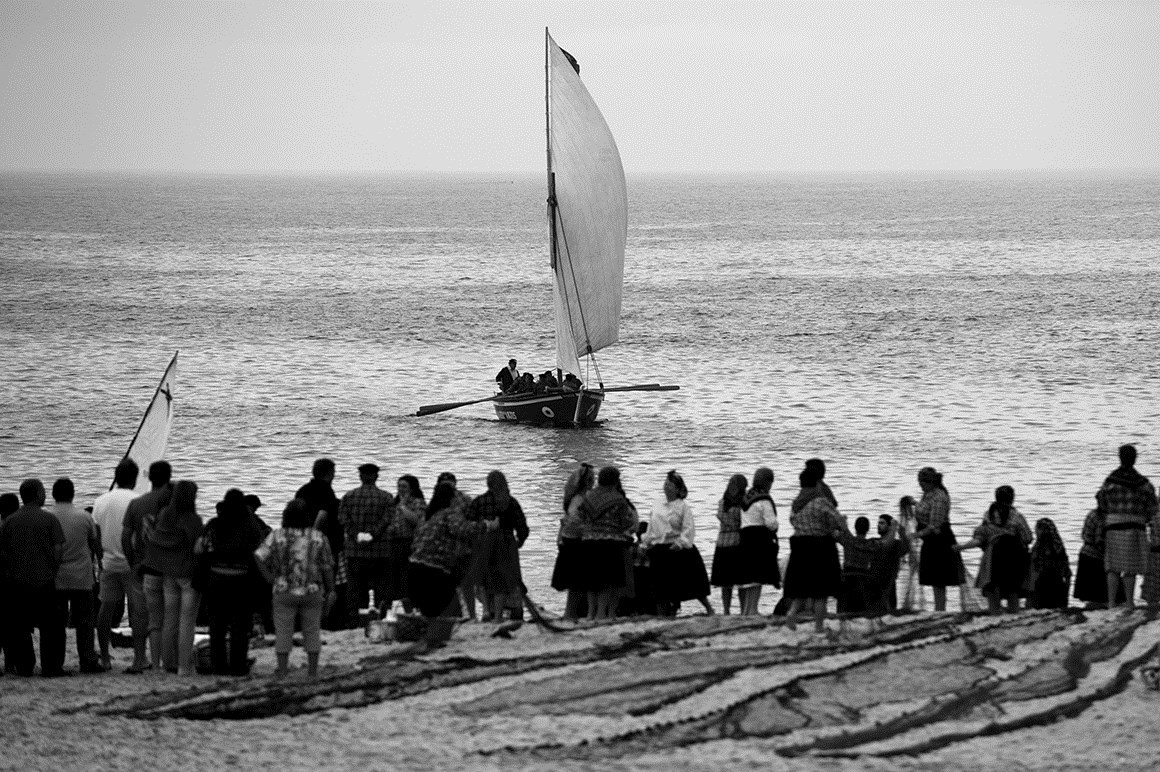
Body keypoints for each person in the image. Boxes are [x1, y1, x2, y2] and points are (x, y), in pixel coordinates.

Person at [254, 499, 335, 678]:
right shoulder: (318, 537)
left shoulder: (277, 535)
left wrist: (268, 576)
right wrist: (331, 589)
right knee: (312, 630)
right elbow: (327, 566)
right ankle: (312, 672)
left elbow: (259, 556)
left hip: (283, 590)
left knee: (283, 631)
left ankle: (282, 670)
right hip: (312, 590)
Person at [195, 488, 265, 676]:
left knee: (216, 625)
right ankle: (238, 666)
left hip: (216, 579)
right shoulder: (250, 526)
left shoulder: (214, 524)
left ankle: (219, 666)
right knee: (240, 627)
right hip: (241, 581)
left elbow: (200, 549)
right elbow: (259, 552)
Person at [0, 479, 66, 676]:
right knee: (50, 628)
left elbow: (3, 552)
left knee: (20, 627)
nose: (45, 495)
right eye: (43, 491)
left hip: (18, 582)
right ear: (38, 495)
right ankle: (50, 667)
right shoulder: (49, 519)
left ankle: (24, 667)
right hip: (45, 580)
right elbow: (58, 549)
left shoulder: (10, 521)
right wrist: (53, 570)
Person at [408, 482, 498, 622]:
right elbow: (463, 529)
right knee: (452, 613)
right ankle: (437, 639)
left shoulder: (428, 515)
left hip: (415, 568)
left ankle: (430, 639)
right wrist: (488, 525)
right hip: (435, 570)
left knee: (430, 612)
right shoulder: (448, 514)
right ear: (451, 498)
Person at [140, 480, 203, 675]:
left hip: (168, 574)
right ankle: (184, 666)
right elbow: (196, 548)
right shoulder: (192, 519)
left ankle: (168, 664)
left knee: (169, 621)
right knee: (187, 622)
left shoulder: (165, 515)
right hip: (187, 576)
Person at [93, 459, 150, 673]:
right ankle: (139, 658)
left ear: (116, 477)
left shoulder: (100, 501)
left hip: (108, 562)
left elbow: (96, 536)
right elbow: (143, 533)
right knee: (138, 610)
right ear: (135, 478)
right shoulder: (138, 501)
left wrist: (100, 559)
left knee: (106, 609)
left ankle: (106, 657)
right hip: (132, 563)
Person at [121, 460, 173, 671]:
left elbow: (126, 537)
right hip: (170, 566)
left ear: (149, 478)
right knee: (169, 615)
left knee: (141, 615)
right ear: (169, 478)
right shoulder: (173, 503)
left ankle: (139, 659)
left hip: (141, 564)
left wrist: (132, 559)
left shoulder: (137, 504)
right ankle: (169, 660)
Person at [783, 467, 850, 632]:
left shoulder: (796, 503)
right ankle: (819, 627)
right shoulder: (820, 501)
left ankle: (791, 613)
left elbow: (792, 522)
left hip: (800, 548)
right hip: (820, 548)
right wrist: (839, 525)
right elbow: (837, 520)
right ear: (816, 484)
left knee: (802, 587)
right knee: (821, 590)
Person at [49, 478, 103, 674]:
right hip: (82, 577)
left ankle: (56, 663)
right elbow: (96, 547)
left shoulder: (49, 516)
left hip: (57, 578)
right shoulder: (84, 517)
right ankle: (87, 661)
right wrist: (100, 567)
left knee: (56, 624)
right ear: (72, 494)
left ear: (54, 495)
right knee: (85, 623)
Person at [641, 471, 714, 617]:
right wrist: (645, 543)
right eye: (665, 483)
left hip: (677, 549)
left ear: (678, 489)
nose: (666, 486)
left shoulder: (683, 507)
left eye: (670, 484)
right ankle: (662, 615)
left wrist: (681, 543)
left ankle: (709, 609)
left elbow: (688, 528)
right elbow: (652, 526)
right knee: (660, 587)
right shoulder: (657, 504)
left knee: (692, 585)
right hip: (659, 549)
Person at [1097, 444, 1158, 609]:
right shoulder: (1143, 483)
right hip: (1135, 526)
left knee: (1113, 566)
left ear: (1120, 457)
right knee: (1130, 567)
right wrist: (1144, 518)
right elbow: (1153, 506)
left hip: (1113, 525)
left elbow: (1101, 501)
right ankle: (1130, 602)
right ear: (1135, 458)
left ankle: (1111, 603)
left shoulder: (1110, 481)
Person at [955, 485, 1032, 614]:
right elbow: (1028, 538)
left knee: (992, 588)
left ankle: (994, 614)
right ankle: (1013, 616)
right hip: (1013, 558)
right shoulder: (1017, 516)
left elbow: (979, 538)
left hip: (992, 557)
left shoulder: (988, 515)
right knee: (1012, 590)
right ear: (1012, 499)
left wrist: (961, 547)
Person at [578, 466, 639, 621]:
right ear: (615, 480)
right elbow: (626, 522)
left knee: (592, 581)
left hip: (588, 543)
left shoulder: (589, 496)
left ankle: (591, 613)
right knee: (609, 581)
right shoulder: (618, 499)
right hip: (611, 544)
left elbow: (580, 516)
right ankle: (602, 614)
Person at [338, 463, 395, 627]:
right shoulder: (386, 497)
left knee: (355, 591)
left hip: (355, 552)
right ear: (376, 476)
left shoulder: (348, 496)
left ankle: (356, 623)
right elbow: (387, 520)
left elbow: (343, 520)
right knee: (382, 591)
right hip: (380, 552)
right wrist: (373, 534)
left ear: (360, 476)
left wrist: (357, 534)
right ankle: (381, 621)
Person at [469, 471, 529, 622]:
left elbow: (468, 525)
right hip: (507, 545)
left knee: (485, 578)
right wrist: (520, 540)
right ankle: (509, 612)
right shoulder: (511, 502)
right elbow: (522, 527)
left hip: (484, 545)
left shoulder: (479, 502)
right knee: (507, 580)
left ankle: (487, 610)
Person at [296, 459, 344, 629]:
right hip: (323, 543)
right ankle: (324, 620)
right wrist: (313, 535)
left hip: (300, 542)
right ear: (329, 473)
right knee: (328, 584)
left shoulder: (302, 490)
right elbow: (323, 514)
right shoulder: (326, 491)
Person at [913, 466, 961, 612]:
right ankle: (938, 609)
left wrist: (916, 535)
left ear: (930, 482)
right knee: (934, 579)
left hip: (940, 542)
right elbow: (924, 511)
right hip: (930, 541)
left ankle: (940, 610)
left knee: (939, 579)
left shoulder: (939, 497)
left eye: (922, 482)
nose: (920, 485)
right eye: (920, 482)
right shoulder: (928, 494)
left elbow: (934, 525)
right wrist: (914, 503)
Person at [552, 463, 594, 620]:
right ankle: (571, 613)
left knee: (575, 583)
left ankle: (570, 613)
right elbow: (575, 522)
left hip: (570, 541)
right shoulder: (582, 500)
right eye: (592, 479)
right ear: (587, 482)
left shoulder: (575, 499)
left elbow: (566, 521)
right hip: (577, 543)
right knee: (576, 582)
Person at [737, 468, 781, 616]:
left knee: (748, 576)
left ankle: (746, 610)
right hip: (759, 538)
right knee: (757, 576)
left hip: (744, 537)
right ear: (768, 482)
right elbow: (771, 523)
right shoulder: (763, 499)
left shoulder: (746, 496)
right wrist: (776, 527)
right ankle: (753, 609)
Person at [385, 475, 424, 613]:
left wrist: (403, 507)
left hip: (409, 543)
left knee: (407, 579)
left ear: (412, 488)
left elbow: (418, 521)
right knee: (392, 579)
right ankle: (391, 609)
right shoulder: (393, 503)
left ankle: (410, 610)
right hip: (393, 543)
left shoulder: (417, 502)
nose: (401, 489)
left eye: (404, 486)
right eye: (399, 486)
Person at [1073, 505, 1124, 608]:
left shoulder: (1091, 514)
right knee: (1103, 593)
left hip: (1085, 553)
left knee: (1091, 595)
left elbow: (1083, 534)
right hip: (1096, 558)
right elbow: (1099, 541)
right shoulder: (1103, 518)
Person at [709, 474, 746, 615]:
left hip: (722, 542)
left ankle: (726, 610)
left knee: (726, 582)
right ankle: (742, 610)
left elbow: (721, 516)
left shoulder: (722, 502)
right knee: (740, 580)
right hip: (737, 542)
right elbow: (742, 522)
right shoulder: (743, 503)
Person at [1028, 517, 1071, 610]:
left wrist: (1030, 596)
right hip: (1058, 586)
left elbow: (1034, 571)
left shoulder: (1038, 548)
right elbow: (1067, 573)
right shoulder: (1059, 546)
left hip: (1041, 587)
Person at [869, 514, 910, 612]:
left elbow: (906, 548)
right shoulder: (873, 541)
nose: (878, 525)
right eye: (878, 523)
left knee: (890, 611)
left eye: (882, 523)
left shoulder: (896, 544)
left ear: (889, 526)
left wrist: (902, 533)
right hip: (873, 584)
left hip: (889, 584)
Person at [897, 496, 926, 611]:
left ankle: (908, 604)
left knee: (912, 580)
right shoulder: (907, 520)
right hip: (912, 552)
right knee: (912, 580)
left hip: (913, 551)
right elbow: (904, 536)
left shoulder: (909, 519)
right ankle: (909, 604)